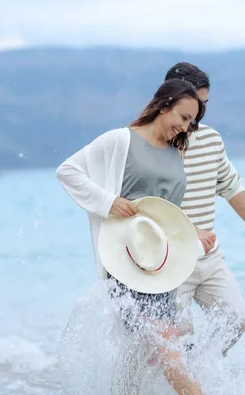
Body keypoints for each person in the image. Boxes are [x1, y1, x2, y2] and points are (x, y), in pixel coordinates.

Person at [56, 78, 207, 395]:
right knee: (169, 354)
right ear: (164, 105)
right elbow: (68, 171)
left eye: (191, 122)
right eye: (183, 117)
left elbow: (164, 212)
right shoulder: (120, 141)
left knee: (143, 359)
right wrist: (108, 202)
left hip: (160, 268)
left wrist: (192, 235)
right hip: (125, 264)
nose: (185, 126)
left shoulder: (175, 154)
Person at [164, 63, 245, 356]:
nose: (200, 114)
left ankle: (199, 374)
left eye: (204, 105)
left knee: (234, 320)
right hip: (170, 261)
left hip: (208, 258)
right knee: (177, 339)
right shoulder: (154, 143)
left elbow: (231, 187)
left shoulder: (211, 139)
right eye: (195, 105)